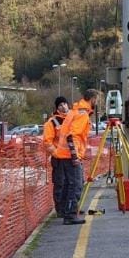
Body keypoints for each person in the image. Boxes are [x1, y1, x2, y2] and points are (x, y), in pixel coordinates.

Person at [43, 96, 85, 224]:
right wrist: (56, 152)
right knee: (61, 183)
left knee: (72, 183)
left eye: (65, 104)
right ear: (57, 108)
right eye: (60, 105)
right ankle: (62, 209)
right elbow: (47, 141)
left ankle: (70, 207)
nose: (64, 107)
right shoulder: (52, 122)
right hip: (59, 158)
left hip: (71, 156)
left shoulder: (72, 119)